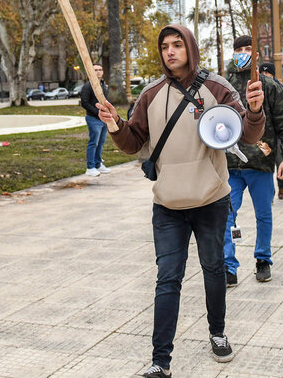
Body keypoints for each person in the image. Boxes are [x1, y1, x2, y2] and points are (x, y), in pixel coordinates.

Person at [96, 24, 265, 378]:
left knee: (214, 269)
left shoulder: (217, 87)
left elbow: (248, 135)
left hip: (211, 199)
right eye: (164, 46)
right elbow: (134, 143)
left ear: (189, 46)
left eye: (177, 45)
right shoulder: (151, 93)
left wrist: (254, 110)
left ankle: (217, 333)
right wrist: (114, 125)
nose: (170, 51)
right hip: (168, 204)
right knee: (167, 279)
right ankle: (161, 360)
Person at [222, 38, 283, 286]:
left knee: (263, 215)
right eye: (238, 50)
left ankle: (263, 259)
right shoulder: (224, 86)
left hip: (261, 163)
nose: (242, 54)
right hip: (229, 164)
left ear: (255, 55)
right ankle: (227, 265)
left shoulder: (269, 86)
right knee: (225, 215)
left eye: (247, 50)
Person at [260, 62, 283, 198]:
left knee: (280, 161)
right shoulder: (256, 89)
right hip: (263, 137)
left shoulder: (281, 88)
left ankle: (282, 186)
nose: (265, 76)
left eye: (268, 73)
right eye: (263, 73)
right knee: (265, 167)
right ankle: (269, 193)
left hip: (279, 136)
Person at [79, 63, 110, 177]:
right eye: (95, 70)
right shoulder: (87, 86)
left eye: (100, 69)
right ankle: (90, 167)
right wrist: (98, 112)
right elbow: (84, 103)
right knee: (93, 143)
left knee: (101, 143)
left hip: (103, 119)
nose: (98, 72)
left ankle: (98, 164)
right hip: (93, 118)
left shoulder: (103, 85)